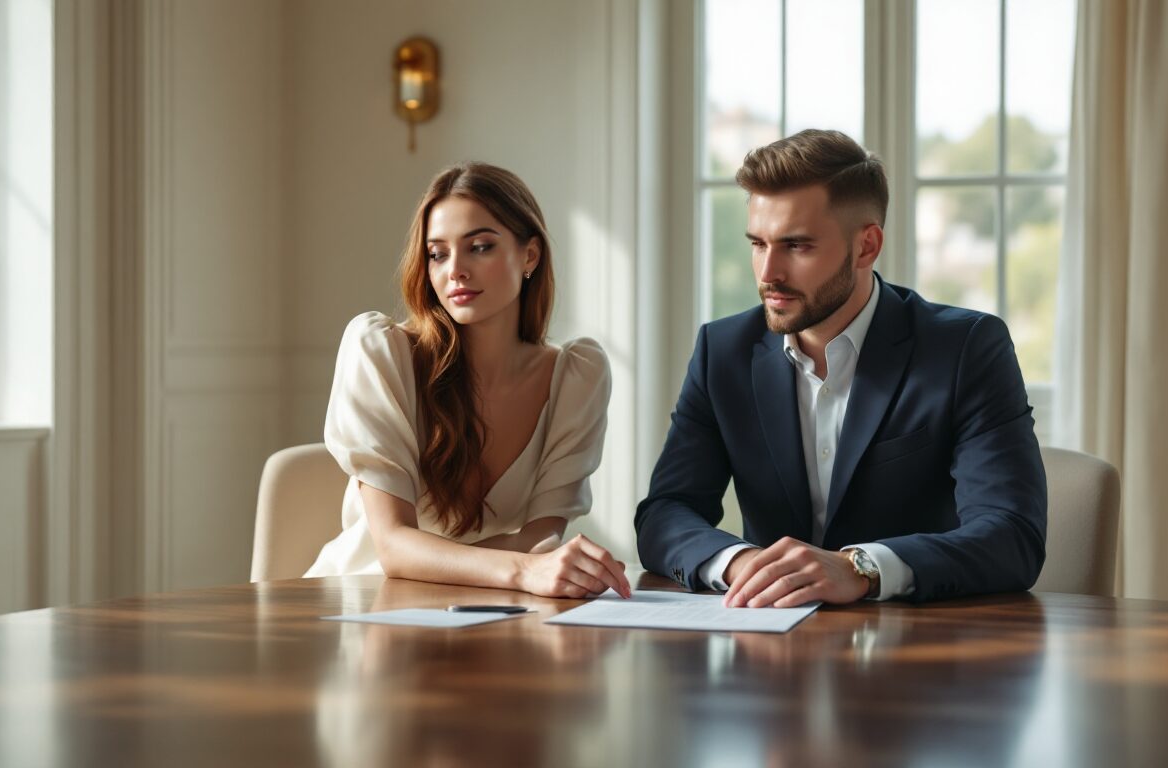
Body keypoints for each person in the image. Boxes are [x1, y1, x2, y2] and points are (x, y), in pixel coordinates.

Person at [635, 129, 1046, 607]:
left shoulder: (965, 349)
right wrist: (742, 564)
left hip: (919, 647)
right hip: (767, 643)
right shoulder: (722, 351)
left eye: (797, 246)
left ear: (866, 247)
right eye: (758, 244)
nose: (768, 273)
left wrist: (862, 568)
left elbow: (1012, 534)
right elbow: (666, 512)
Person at [306, 162, 631, 599]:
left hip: (484, 609)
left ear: (530, 255)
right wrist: (520, 567)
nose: (454, 270)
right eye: (437, 253)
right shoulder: (381, 353)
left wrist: (522, 563)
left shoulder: (576, 376)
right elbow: (393, 547)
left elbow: (540, 540)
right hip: (366, 603)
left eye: (479, 247)